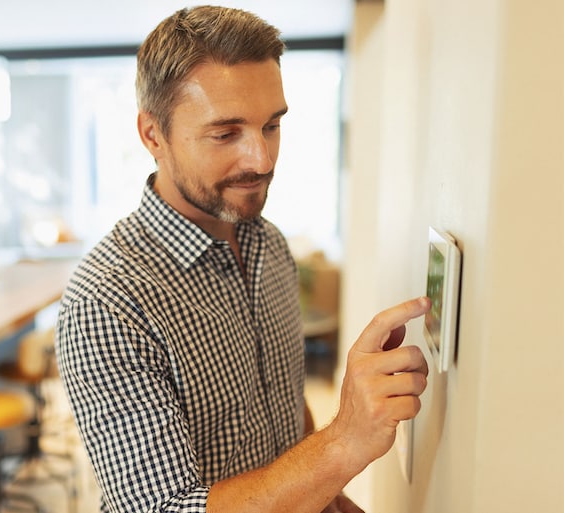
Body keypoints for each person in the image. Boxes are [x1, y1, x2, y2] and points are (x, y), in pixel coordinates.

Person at [55, 5, 430, 513]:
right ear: (152, 135)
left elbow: (282, 409)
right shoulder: (108, 299)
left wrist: (328, 498)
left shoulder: (268, 244)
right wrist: (344, 442)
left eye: (271, 126)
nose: (262, 159)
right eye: (226, 133)